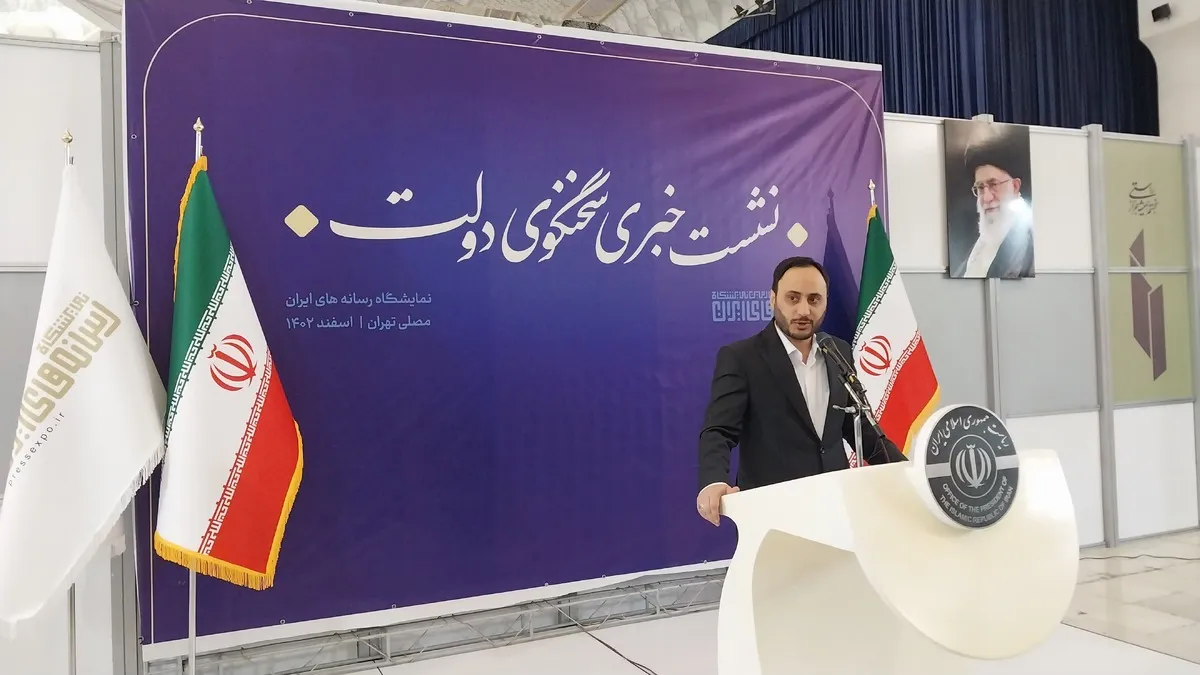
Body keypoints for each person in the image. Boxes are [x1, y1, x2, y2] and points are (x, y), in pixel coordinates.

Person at [695, 256, 907, 526]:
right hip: (772, 510)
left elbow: (860, 427)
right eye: (793, 298)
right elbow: (718, 430)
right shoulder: (742, 357)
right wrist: (714, 480)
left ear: (826, 302)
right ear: (773, 299)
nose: (804, 310)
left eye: (814, 299)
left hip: (835, 505)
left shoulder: (838, 351)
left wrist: (907, 472)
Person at [950, 140, 1035, 279]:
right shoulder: (977, 246)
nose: (987, 197)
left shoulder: (1030, 243)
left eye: (993, 184)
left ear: (1015, 186)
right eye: (980, 187)